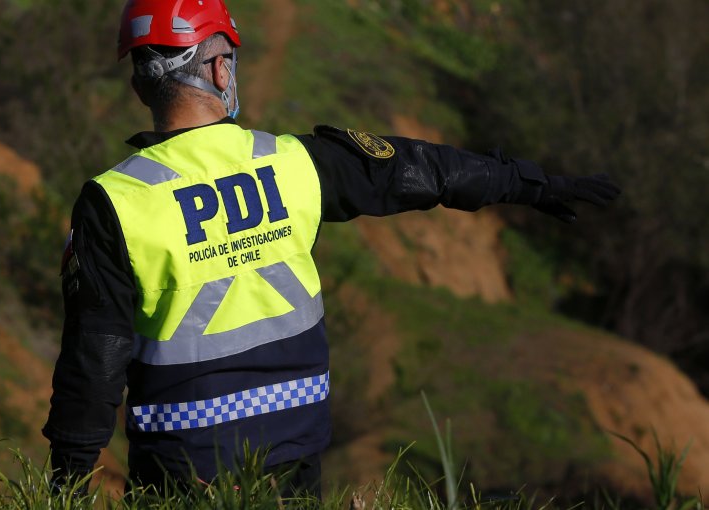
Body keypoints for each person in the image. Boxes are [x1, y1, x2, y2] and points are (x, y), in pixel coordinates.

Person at [42, 0, 620, 499]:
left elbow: (94, 364)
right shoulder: (295, 163)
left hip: (183, 469)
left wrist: (64, 487)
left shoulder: (114, 202)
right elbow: (425, 172)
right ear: (220, 69)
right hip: (294, 452)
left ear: (141, 81)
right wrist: (529, 183)